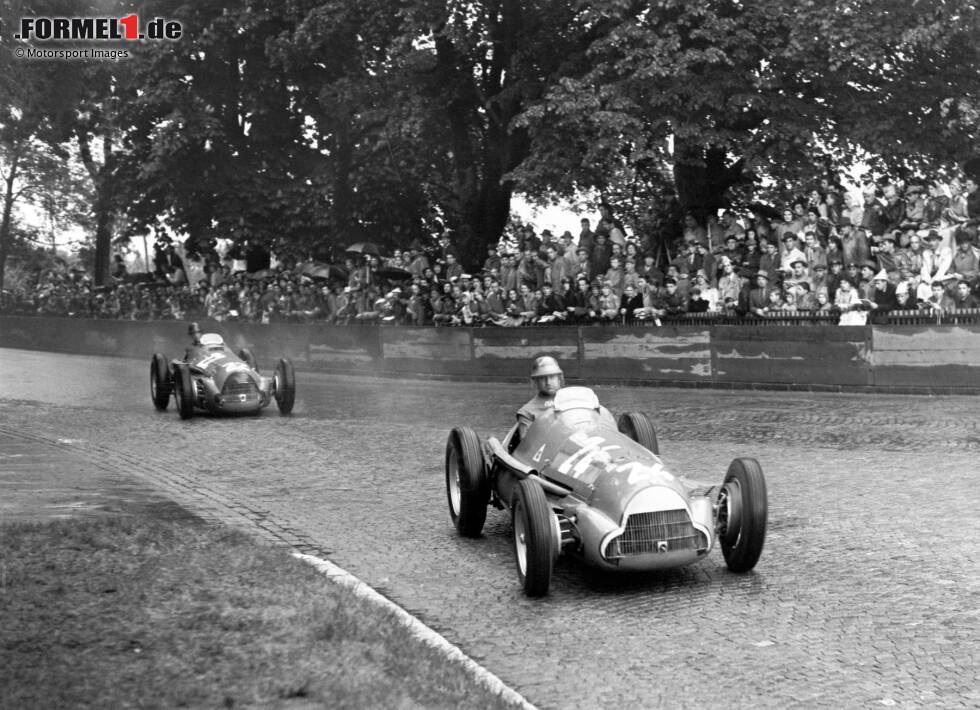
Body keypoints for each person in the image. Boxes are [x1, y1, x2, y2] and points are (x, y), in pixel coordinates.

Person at [516, 356, 564, 437]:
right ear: (536, 381)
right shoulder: (527, 412)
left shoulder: (572, 400)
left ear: (559, 378)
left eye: (552, 377)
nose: (548, 382)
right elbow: (527, 446)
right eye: (542, 378)